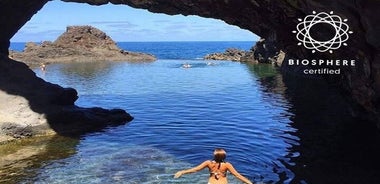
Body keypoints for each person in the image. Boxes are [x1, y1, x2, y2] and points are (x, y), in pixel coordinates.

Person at [174, 148, 253, 184]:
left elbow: (195, 169)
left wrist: (182, 172)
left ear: (214, 156)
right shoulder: (227, 165)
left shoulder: (208, 163)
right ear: (224, 156)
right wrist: (248, 182)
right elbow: (237, 175)